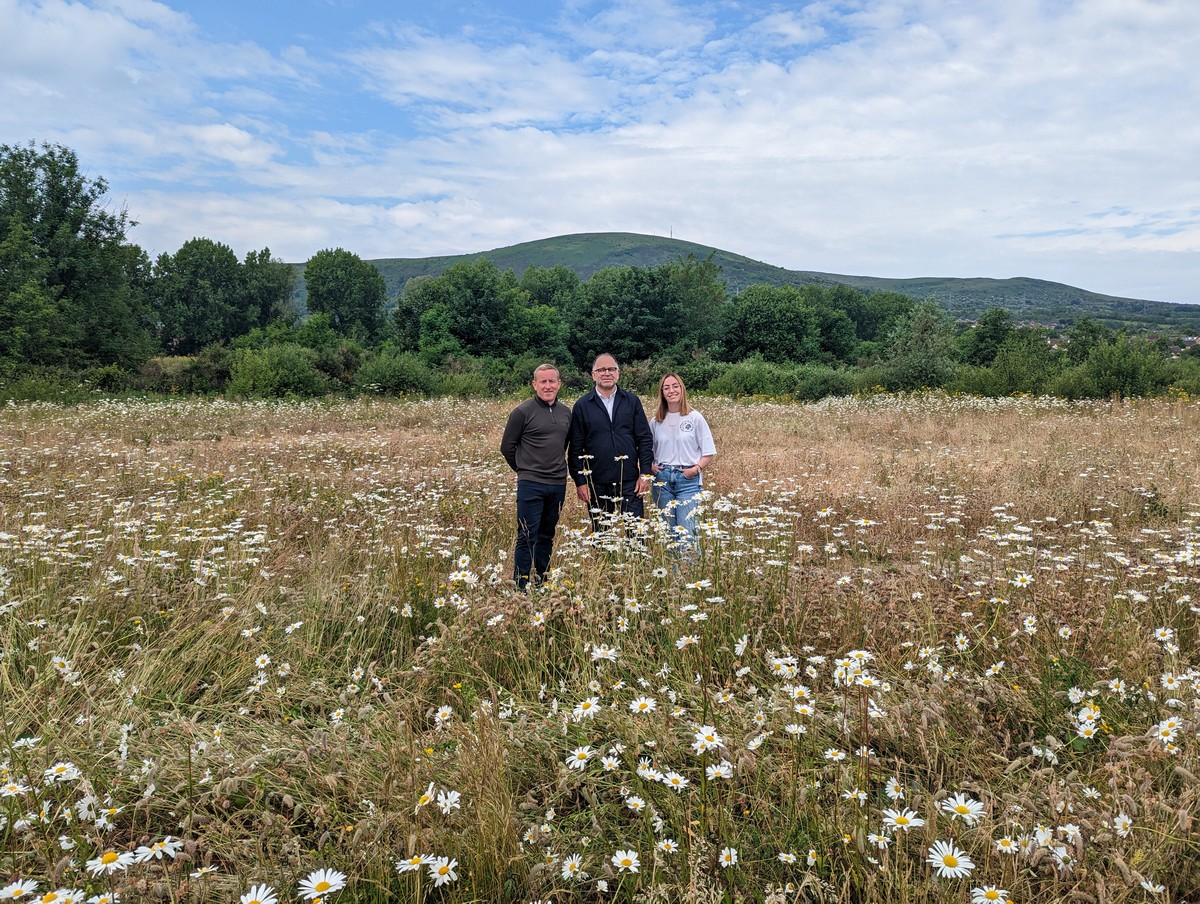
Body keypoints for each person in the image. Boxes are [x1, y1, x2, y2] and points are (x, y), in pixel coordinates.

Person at [500, 363, 572, 589]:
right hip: (531, 484)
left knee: (546, 535)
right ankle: (521, 587)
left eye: (552, 381)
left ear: (559, 384)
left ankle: (542, 582)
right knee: (526, 536)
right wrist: (524, 469)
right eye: (543, 381)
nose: (548, 386)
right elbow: (507, 447)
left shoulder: (566, 413)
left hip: (558, 484)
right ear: (535, 384)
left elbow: (565, 444)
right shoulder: (522, 412)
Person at [567, 353, 654, 529]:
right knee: (601, 534)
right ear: (593, 375)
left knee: (636, 533)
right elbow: (575, 448)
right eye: (601, 369)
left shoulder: (632, 401)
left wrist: (645, 474)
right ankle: (605, 558)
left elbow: (644, 439)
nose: (607, 373)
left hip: (630, 480)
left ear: (618, 373)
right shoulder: (582, 406)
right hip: (596, 482)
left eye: (611, 369)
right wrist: (581, 482)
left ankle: (634, 557)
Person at [649, 373, 716, 552]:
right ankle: (673, 578)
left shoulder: (695, 418)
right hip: (661, 481)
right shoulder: (656, 421)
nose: (671, 391)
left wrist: (695, 469)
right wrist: (650, 467)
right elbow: (646, 449)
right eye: (667, 388)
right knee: (669, 534)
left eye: (675, 386)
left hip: (687, 481)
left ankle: (689, 575)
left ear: (682, 389)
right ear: (662, 393)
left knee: (688, 533)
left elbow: (708, 451)